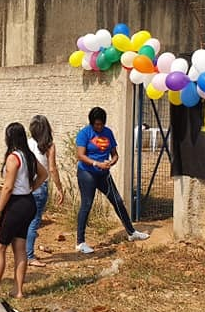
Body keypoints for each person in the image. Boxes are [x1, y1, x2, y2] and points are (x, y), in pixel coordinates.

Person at [74, 106, 149, 254]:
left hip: (104, 174)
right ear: (91, 123)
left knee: (118, 201)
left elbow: (115, 154)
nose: (99, 127)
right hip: (87, 173)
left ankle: (131, 232)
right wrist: (96, 163)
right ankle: (80, 242)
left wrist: (112, 161)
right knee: (87, 204)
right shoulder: (84, 133)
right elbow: (80, 155)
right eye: (96, 124)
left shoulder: (108, 133)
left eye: (101, 124)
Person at [0, 122, 48, 298]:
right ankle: (18, 290)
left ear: (9, 137)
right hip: (28, 203)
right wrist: (31, 188)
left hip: (15, 204)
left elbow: (7, 188)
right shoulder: (28, 155)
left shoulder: (13, 158)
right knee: (20, 246)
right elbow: (44, 174)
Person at [26, 114, 64, 267]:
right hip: (40, 187)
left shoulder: (27, 143)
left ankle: (24, 252)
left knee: (27, 221)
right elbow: (52, 169)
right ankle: (29, 256)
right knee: (34, 221)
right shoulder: (49, 146)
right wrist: (60, 188)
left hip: (27, 186)